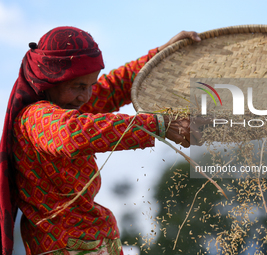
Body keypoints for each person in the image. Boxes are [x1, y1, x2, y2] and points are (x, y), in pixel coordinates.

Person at [0, 26, 201, 255]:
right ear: (52, 79)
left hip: (97, 241)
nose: (85, 96)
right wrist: (157, 125)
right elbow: (73, 133)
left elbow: (114, 86)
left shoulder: (67, 101)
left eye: (90, 85)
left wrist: (160, 56)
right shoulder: (35, 118)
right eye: (79, 86)